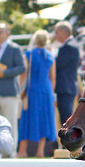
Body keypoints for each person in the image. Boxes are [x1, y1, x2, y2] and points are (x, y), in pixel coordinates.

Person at [18, 30, 56, 158]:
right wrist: (51, 92)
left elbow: (23, 73)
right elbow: (53, 77)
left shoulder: (28, 54)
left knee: (28, 117)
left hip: (32, 89)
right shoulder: (50, 56)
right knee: (44, 119)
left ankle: (22, 151)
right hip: (46, 90)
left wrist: (19, 87)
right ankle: (40, 151)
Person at [0, 22, 26, 144]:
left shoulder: (14, 48)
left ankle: (11, 152)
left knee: (10, 123)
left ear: (7, 33)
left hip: (9, 91)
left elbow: (22, 67)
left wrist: (5, 73)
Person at [53, 21, 82, 126]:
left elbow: (57, 64)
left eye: (56, 32)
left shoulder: (69, 47)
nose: (55, 35)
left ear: (62, 32)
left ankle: (68, 141)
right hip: (68, 86)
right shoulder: (72, 45)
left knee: (66, 120)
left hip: (65, 87)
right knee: (65, 117)